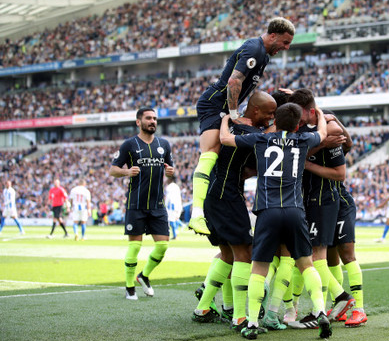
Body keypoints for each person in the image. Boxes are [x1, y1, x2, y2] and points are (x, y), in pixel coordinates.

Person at [219, 103, 332, 340]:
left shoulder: (260, 139)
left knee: (259, 268)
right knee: (306, 263)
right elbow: (323, 133)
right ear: (297, 124)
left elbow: (225, 138)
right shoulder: (303, 140)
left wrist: (225, 119)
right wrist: (319, 114)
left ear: (275, 122)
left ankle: (251, 322)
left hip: (268, 211)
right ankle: (320, 310)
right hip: (294, 209)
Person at [188, 17, 295, 236]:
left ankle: (201, 210)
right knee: (210, 153)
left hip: (223, 106)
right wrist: (234, 114)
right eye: (284, 42)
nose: (285, 48)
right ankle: (196, 213)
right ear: (273, 35)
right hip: (215, 103)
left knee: (215, 155)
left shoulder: (263, 54)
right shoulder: (255, 48)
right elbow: (234, 82)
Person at [192, 91, 277, 331]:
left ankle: (204, 308)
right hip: (226, 196)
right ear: (256, 110)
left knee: (227, 254)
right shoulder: (247, 131)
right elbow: (270, 134)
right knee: (245, 253)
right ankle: (240, 317)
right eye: (269, 113)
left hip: (213, 194)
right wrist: (283, 119)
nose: (271, 118)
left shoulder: (234, 125)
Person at [287, 89, 355, 329]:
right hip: (310, 199)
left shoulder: (330, 128)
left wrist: (305, 164)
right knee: (310, 256)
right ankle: (333, 302)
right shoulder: (316, 129)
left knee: (316, 257)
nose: (297, 118)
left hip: (322, 199)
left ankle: (326, 307)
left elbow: (340, 173)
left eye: (300, 113)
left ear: (310, 111)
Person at [109, 107, 175, 300]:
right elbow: (113, 170)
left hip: (157, 204)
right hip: (136, 203)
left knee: (163, 246)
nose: (152, 121)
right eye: (148, 118)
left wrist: (171, 171)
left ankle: (143, 275)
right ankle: (130, 286)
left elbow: (169, 167)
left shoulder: (164, 144)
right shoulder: (129, 144)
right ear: (139, 122)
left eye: (154, 118)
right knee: (135, 247)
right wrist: (126, 172)